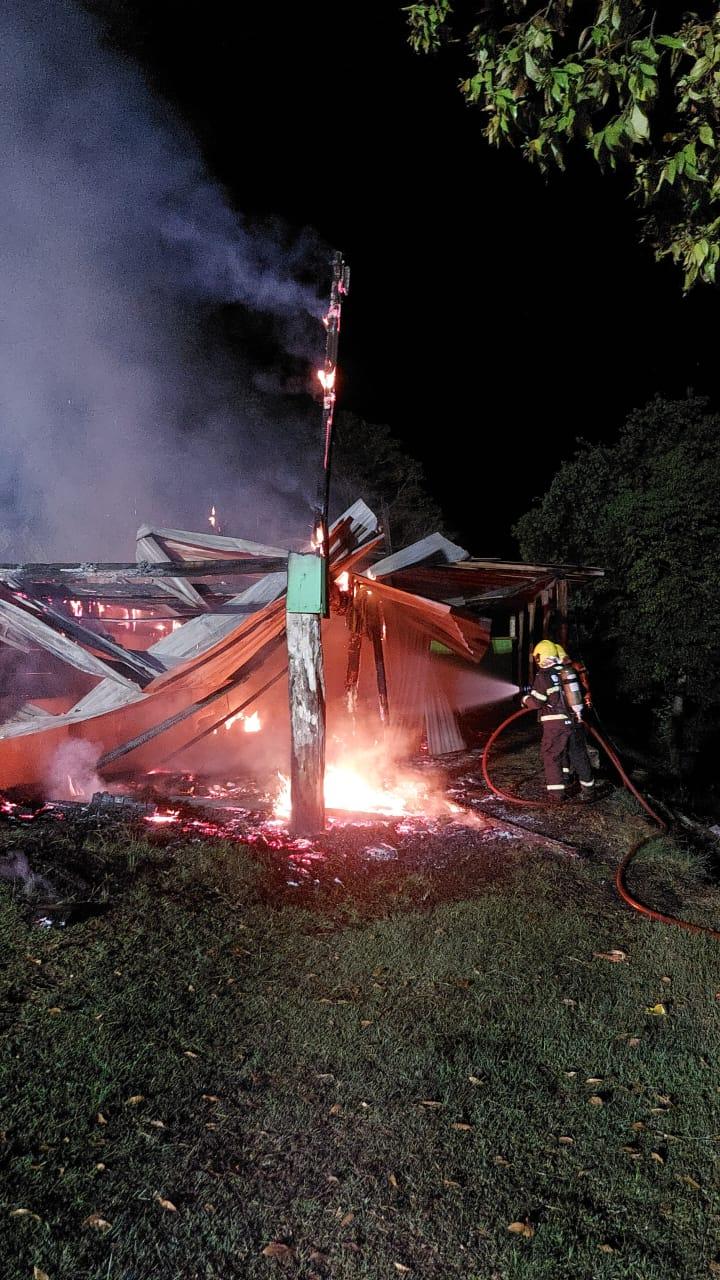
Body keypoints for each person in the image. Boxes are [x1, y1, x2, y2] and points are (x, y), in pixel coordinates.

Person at [522, 640, 596, 803]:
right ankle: (589, 790)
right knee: (578, 754)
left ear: (540, 657)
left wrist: (525, 698)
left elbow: (536, 703)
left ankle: (556, 796)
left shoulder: (543, 675)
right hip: (576, 721)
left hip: (555, 725)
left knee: (552, 756)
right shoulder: (567, 671)